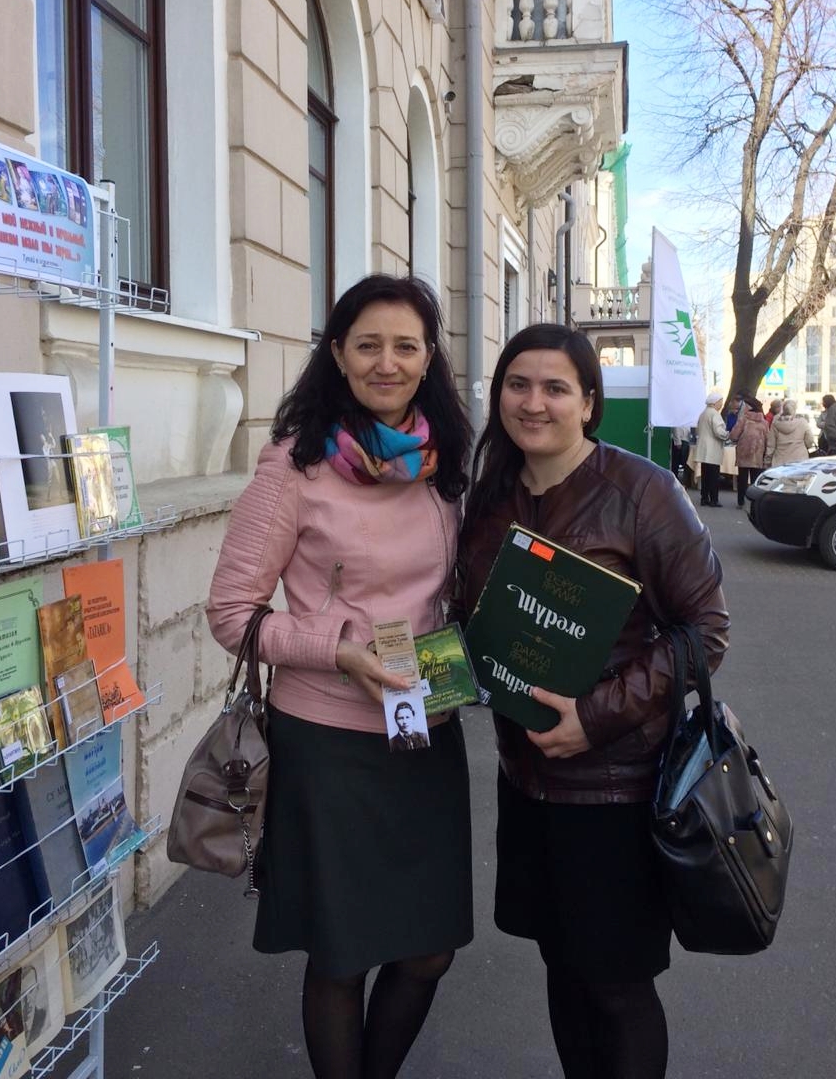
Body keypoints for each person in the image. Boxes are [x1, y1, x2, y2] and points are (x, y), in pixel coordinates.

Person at [206, 274, 474, 1079]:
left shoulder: (444, 462)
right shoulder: (294, 465)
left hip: (425, 729)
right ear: (337, 354)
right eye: (368, 345)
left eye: (405, 346)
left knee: (428, 951)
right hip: (328, 741)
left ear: (428, 358)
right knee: (342, 953)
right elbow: (232, 614)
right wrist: (342, 651)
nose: (387, 363)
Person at [457, 324, 729, 1079]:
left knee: (616, 984)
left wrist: (596, 716)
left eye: (555, 388)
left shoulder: (643, 492)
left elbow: (705, 631)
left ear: (588, 402)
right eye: (518, 385)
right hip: (526, 781)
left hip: (615, 787)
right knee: (562, 963)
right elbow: (472, 620)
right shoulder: (490, 499)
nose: (533, 403)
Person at [729, 396, 767, 507]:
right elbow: (767, 438)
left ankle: (741, 502)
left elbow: (734, 435)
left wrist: (734, 438)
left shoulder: (743, 420)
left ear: (749, 407)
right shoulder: (764, 422)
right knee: (755, 480)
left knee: (742, 479)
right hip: (758, 454)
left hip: (743, 453)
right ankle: (754, 503)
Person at [694, 389, 728, 507]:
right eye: (720, 402)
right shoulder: (715, 414)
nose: (721, 404)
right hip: (712, 450)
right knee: (713, 476)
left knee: (705, 476)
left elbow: (698, 430)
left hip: (703, 449)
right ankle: (714, 499)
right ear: (715, 402)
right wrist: (727, 434)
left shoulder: (703, 413)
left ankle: (704, 498)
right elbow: (718, 431)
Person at [765, 398, 815, 467]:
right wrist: (806, 446)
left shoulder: (775, 424)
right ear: (795, 409)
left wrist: (767, 461)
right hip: (800, 460)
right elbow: (810, 440)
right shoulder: (803, 423)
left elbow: (771, 445)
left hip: (780, 462)